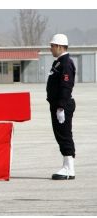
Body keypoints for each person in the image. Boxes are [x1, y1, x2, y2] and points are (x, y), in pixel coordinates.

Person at [47, 34, 76, 180]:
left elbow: (66, 86)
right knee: (60, 135)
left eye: (52, 46)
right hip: (57, 105)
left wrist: (61, 107)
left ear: (59, 46)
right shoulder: (58, 63)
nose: (50, 48)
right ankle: (67, 166)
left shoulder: (66, 63)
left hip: (62, 106)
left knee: (64, 135)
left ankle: (69, 168)